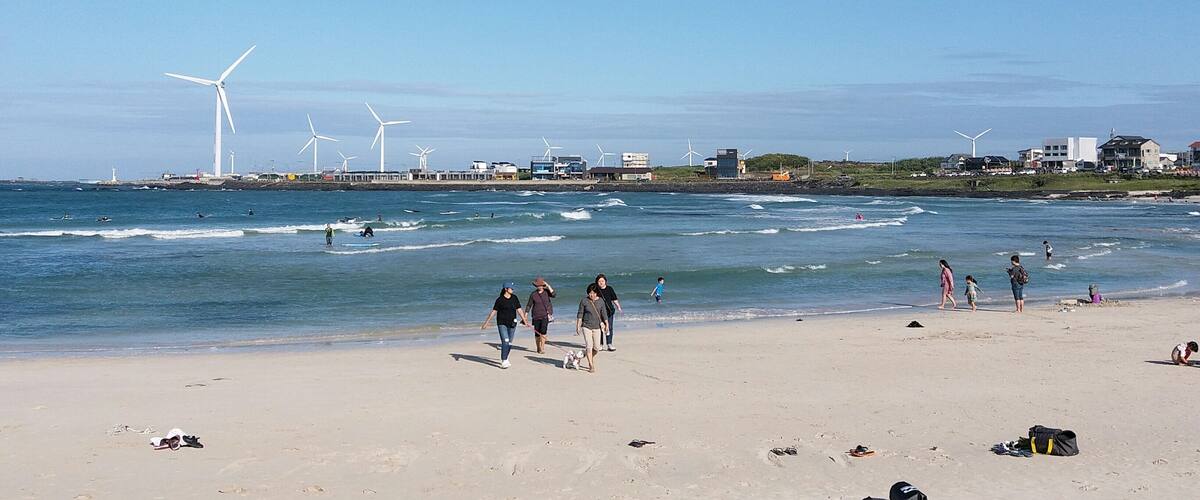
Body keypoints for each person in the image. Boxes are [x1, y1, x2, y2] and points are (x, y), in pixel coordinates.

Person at [480, 282, 530, 369]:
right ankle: (504, 360)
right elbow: (494, 311)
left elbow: (519, 310)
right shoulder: (500, 300)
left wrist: (525, 320)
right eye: (511, 288)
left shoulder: (514, 298)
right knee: (505, 341)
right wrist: (486, 323)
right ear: (506, 289)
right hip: (502, 323)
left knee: (510, 343)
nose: (513, 289)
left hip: (512, 323)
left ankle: (506, 358)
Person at [576, 283, 609, 373]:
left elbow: (604, 314)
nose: (592, 295)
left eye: (594, 293)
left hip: (597, 327)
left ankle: (584, 355)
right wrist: (578, 326)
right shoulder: (584, 301)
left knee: (597, 348)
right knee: (589, 346)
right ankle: (591, 365)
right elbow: (580, 314)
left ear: (597, 293)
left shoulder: (601, 301)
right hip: (586, 326)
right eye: (590, 293)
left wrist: (607, 325)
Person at [525, 277, 556, 354]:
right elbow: (529, 305)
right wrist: (525, 316)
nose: (539, 287)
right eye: (537, 285)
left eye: (540, 285)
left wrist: (548, 285)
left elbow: (554, 294)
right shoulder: (533, 294)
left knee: (543, 332)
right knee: (537, 333)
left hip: (545, 315)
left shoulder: (546, 292)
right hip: (536, 315)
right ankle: (538, 347)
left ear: (543, 285)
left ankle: (542, 348)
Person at [594, 274, 622, 351]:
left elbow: (614, 299)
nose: (601, 283)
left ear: (605, 281)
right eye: (599, 281)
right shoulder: (596, 290)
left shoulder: (609, 289)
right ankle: (600, 344)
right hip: (599, 312)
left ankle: (609, 344)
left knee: (609, 327)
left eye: (602, 281)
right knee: (600, 328)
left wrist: (618, 307)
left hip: (609, 311)